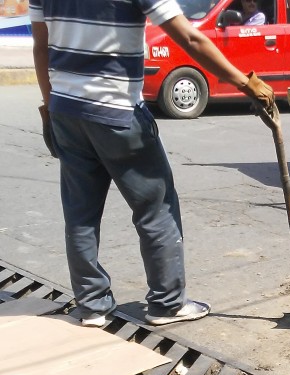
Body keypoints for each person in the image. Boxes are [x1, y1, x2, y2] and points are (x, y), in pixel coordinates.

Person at [30, 0, 274, 326]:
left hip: (66, 110)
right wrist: (245, 82)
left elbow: (40, 47)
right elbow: (190, 39)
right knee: (156, 207)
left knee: (80, 214)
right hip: (117, 113)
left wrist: (50, 108)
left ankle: (92, 306)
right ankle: (167, 304)